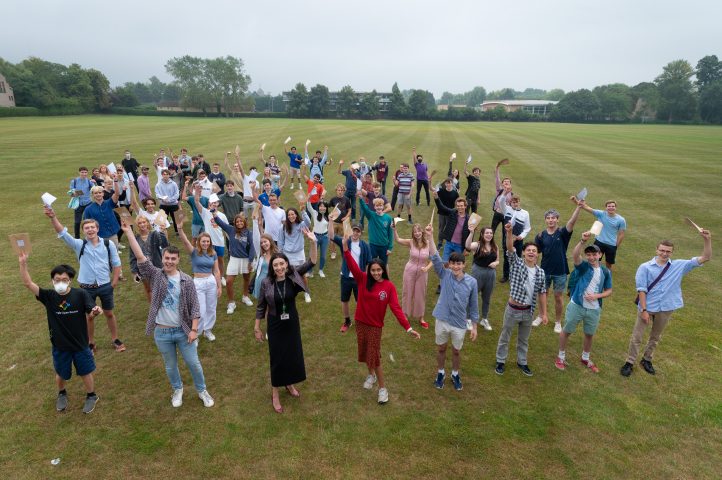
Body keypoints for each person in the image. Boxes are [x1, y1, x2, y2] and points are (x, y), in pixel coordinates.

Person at [120, 221, 215, 408]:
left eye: (173, 258)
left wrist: (194, 330)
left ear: (178, 260)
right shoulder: (155, 275)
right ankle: (177, 389)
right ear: (162, 259)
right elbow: (140, 257)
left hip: (183, 331)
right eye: (166, 258)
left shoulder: (187, 281)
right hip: (162, 333)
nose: (169, 261)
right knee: (171, 366)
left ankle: (202, 390)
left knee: (194, 364)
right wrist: (129, 232)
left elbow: (195, 308)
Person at [620, 229, 712, 377]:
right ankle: (629, 362)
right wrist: (644, 310)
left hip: (667, 307)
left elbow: (706, 257)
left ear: (672, 252)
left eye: (668, 251)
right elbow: (641, 290)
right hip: (647, 307)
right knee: (637, 336)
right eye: (662, 250)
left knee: (655, 337)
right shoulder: (645, 267)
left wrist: (707, 239)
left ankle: (647, 359)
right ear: (656, 250)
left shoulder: (680, 265)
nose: (664, 253)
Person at [19, 255, 103, 413]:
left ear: (70, 280)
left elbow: (91, 310)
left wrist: (95, 311)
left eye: (64, 279)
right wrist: (23, 264)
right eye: (57, 279)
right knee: (61, 373)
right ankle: (62, 393)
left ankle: (92, 395)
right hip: (60, 345)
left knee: (85, 371)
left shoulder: (80, 294)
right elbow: (28, 283)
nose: (60, 283)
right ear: (52, 281)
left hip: (80, 344)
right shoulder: (49, 297)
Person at [342, 235, 421, 404]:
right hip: (361, 323)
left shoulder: (388, 287)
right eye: (373, 270)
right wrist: (345, 247)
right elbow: (351, 263)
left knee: (375, 357)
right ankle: (371, 376)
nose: (376, 273)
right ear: (369, 270)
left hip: (375, 327)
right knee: (364, 352)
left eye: (379, 270)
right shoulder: (362, 279)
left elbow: (396, 309)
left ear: (383, 270)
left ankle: (383, 389)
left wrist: (408, 328)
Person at [45, 208, 126, 353]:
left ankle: (115, 339)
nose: (90, 230)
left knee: (109, 313)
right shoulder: (79, 244)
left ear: (97, 228)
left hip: (105, 286)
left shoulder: (108, 244)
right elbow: (63, 233)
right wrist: (53, 217)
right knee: (89, 316)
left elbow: (116, 263)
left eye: (92, 227)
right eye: (87, 228)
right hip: (86, 288)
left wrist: (113, 283)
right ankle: (90, 342)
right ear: (83, 231)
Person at [254, 230, 318, 413]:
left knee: (291, 353)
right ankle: (275, 392)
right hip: (274, 324)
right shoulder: (266, 283)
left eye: (282, 264)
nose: (280, 267)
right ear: (272, 268)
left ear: (287, 264)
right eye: (276, 265)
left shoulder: (293, 276)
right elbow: (260, 306)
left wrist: (313, 242)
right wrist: (257, 327)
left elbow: (311, 261)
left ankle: (289, 384)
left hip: (292, 322)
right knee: (277, 357)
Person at [426, 225, 479, 391]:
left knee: (456, 351)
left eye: (459, 264)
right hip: (442, 318)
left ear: (464, 265)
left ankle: (455, 374)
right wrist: (430, 237)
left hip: (459, 322)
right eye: (453, 264)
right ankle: (441, 372)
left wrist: (474, 326)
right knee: (441, 348)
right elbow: (435, 257)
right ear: (449, 264)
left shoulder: (472, 282)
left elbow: (473, 305)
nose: (456, 266)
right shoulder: (445, 274)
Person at [494, 222, 548, 377]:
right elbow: (510, 249)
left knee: (524, 340)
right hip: (512, 309)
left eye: (534, 251)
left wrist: (543, 313)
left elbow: (542, 293)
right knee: (505, 336)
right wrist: (509, 233)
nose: (531, 252)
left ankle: (522, 361)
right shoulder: (516, 264)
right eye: (528, 250)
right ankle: (500, 361)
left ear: (537, 254)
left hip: (528, 312)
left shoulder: (541, 273)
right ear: (523, 253)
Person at [556, 233, 613, 373]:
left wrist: (597, 296)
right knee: (567, 330)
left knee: (589, 334)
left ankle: (585, 358)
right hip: (577, 306)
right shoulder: (584, 267)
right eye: (589, 255)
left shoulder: (605, 271)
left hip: (594, 309)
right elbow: (575, 255)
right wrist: (582, 241)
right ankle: (560, 356)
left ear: (600, 255)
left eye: (594, 254)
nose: (591, 257)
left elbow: (609, 290)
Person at [533, 203, 583, 333]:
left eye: (553, 218)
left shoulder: (563, 233)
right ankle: (540, 315)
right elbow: (535, 253)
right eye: (548, 218)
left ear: (557, 219)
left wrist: (578, 207)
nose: (551, 220)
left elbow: (572, 222)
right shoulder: (540, 235)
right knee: (542, 294)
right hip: (544, 270)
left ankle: (558, 322)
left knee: (558, 297)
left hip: (560, 271)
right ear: (545, 220)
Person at [177, 222, 222, 342]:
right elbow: (186, 242)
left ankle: (208, 330)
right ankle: (196, 333)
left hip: (211, 281)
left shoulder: (213, 253)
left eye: (207, 241)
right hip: (198, 283)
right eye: (203, 241)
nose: (206, 243)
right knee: (200, 310)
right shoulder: (194, 252)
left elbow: (216, 271)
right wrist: (180, 229)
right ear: (199, 242)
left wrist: (219, 287)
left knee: (211, 308)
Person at [329, 221, 372, 333]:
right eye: (354, 230)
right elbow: (331, 236)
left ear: (361, 233)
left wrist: (366, 278)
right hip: (346, 277)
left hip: (359, 279)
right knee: (344, 300)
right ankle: (347, 321)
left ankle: (362, 321)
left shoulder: (365, 246)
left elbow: (368, 262)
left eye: (358, 231)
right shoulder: (345, 241)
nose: (355, 233)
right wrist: (330, 221)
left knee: (360, 302)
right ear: (350, 230)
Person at [212, 212, 255, 313]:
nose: (239, 223)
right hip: (234, 259)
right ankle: (231, 303)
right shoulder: (231, 230)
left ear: (244, 222)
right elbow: (220, 223)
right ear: (235, 223)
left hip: (246, 259)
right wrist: (214, 213)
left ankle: (245, 296)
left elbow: (252, 247)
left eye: (241, 221)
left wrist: (250, 261)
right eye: (237, 221)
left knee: (246, 278)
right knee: (229, 281)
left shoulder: (249, 233)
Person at [394, 222, 432, 329]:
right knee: (407, 292)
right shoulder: (410, 242)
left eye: (418, 231)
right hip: (409, 271)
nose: (417, 233)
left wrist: (427, 268)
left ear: (422, 232)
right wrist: (394, 230)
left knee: (420, 294)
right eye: (415, 232)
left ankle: (421, 317)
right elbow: (398, 240)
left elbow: (433, 259)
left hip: (423, 272)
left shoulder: (429, 243)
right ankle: (405, 315)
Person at [465, 225, 499, 331]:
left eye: (491, 233)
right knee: (472, 295)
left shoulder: (495, 246)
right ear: (482, 234)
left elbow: (498, 260)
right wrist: (471, 233)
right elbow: (468, 246)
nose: (489, 235)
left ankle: (484, 319)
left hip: (491, 274)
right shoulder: (477, 245)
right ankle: (468, 319)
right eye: (487, 233)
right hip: (478, 272)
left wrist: (495, 263)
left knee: (487, 297)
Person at [577, 198, 626, 270]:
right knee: (594, 261)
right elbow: (587, 208)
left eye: (613, 206)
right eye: (609, 206)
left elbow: (621, 234)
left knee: (608, 264)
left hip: (611, 245)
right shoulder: (601, 214)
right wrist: (580, 202)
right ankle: (593, 275)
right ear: (606, 208)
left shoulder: (621, 220)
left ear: (615, 207)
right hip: (599, 242)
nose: (611, 208)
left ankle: (607, 278)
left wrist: (616, 246)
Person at [129, 215, 169, 301]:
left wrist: (163, 231)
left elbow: (165, 245)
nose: (142, 224)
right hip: (143, 269)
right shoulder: (135, 239)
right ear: (137, 225)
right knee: (149, 289)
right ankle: (153, 309)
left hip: (157, 266)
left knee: (163, 287)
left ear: (148, 223)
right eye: (140, 223)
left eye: (144, 222)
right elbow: (132, 256)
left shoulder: (155, 234)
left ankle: (165, 307)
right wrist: (134, 272)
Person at [278, 204, 312, 302]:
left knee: (302, 275)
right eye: (289, 215)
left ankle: (306, 292)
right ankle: (289, 293)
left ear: (296, 215)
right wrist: (281, 254)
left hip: (299, 254)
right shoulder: (283, 227)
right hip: (287, 254)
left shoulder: (301, 224)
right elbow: (280, 241)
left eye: (293, 214)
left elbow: (308, 223)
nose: (291, 216)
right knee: (287, 275)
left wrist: (303, 211)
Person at [194, 189, 229, 279]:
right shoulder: (205, 213)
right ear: (209, 203)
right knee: (209, 259)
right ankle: (211, 276)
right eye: (212, 202)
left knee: (220, 259)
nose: (214, 204)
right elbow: (197, 202)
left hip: (220, 241)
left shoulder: (222, 215)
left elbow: (227, 229)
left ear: (218, 204)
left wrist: (231, 240)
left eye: (215, 202)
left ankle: (221, 277)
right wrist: (197, 192)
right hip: (209, 242)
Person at [357, 192, 394, 265]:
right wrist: (361, 198)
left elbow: (390, 233)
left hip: (384, 246)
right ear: (374, 207)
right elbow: (365, 208)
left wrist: (390, 248)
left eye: (380, 205)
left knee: (383, 265)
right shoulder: (371, 215)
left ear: (383, 206)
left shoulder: (388, 218)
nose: (379, 207)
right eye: (377, 206)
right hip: (373, 245)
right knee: (371, 264)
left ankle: (384, 276)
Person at [500, 195, 531, 283]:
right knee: (506, 257)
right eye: (513, 202)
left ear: (519, 202)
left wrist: (521, 236)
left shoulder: (525, 213)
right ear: (510, 203)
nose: (515, 204)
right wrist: (505, 192)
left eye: (517, 202)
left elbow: (527, 228)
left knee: (517, 258)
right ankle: (505, 276)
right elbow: (501, 201)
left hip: (518, 240)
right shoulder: (507, 209)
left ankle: (515, 276)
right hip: (508, 239)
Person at [83, 182, 122, 248]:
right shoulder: (88, 209)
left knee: (114, 254)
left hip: (112, 234)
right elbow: (85, 224)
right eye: (96, 193)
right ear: (93, 195)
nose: (98, 194)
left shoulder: (109, 203)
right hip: (98, 236)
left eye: (100, 192)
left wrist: (115, 182)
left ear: (103, 193)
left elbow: (117, 194)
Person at [327, 183, 351, 260]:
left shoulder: (346, 199)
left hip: (343, 223)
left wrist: (346, 217)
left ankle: (344, 251)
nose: (340, 191)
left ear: (344, 191)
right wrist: (329, 215)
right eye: (338, 190)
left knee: (344, 239)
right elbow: (328, 206)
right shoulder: (333, 199)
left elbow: (350, 210)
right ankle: (333, 252)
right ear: (336, 191)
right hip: (334, 222)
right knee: (332, 239)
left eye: (341, 190)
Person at [306, 200, 329, 278]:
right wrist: (309, 199)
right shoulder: (315, 213)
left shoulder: (328, 216)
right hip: (315, 237)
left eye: (324, 206)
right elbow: (309, 207)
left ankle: (321, 270)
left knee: (323, 255)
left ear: (326, 208)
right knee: (312, 255)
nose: (322, 208)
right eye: (321, 206)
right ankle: (310, 271)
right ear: (318, 207)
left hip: (325, 237)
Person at [252, 233, 279, 300]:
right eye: (261, 243)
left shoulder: (277, 255)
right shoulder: (261, 256)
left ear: (270, 241)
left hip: (273, 282)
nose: (263, 244)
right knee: (263, 306)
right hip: (260, 282)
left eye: (265, 241)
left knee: (272, 305)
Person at [436, 174, 460, 250]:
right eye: (447, 183)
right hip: (442, 213)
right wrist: (430, 182)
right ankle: (440, 243)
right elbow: (434, 192)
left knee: (450, 228)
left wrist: (456, 210)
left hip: (451, 214)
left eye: (450, 183)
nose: (449, 184)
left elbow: (457, 203)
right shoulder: (441, 191)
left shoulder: (455, 193)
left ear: (452, 184)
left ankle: (448, 243)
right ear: (445, 184)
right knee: (441, 228)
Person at [69, 166, 93, 239]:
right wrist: (76, 193)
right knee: (77, 222)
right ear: (79, 172)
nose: (84, 174)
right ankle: (77, 238)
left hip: (88, 203)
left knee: (88, 221)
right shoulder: (74, 181)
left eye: (85, 172)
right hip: (78, 204)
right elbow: (71, 193)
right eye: (82, 172)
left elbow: (94, 190)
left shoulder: (89, 181)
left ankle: (90, 236)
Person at [491, 160, 513, 235]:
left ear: (510, 184)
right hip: (497, 213)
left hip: (506, 215)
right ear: (502, 184)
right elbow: (497, 179)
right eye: (505, 181)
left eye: (508, 181)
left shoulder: (511, 194)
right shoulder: (499, 190)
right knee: (492, 230)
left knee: (505, 233)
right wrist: (497, 168)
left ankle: (505, 246)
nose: (506, 182)